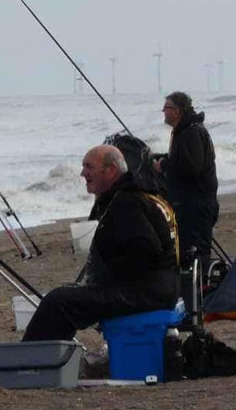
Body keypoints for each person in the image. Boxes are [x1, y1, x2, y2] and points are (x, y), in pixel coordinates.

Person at [22, 145, 179, 342]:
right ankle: (42, 360)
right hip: (161, 288)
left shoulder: (127, 202)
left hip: (147, 293)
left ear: (111, 169)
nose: (82, 173)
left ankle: (27, 363)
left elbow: (146, 250)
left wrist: (109, 278)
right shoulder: (141, 193)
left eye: (89, 167)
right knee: (67, 296)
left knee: (58, 301)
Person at [153, 92, 219, 274]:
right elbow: (184, 159)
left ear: (176, 111)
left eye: (166, 108)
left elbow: (192, 166)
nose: (163, 111)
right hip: (189, 204)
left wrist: (164, 165)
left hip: (196, 207)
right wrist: (162, 159)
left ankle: (201, 296)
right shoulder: (185, 130)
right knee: (187, 253)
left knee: (196, 255)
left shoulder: (192, 132)